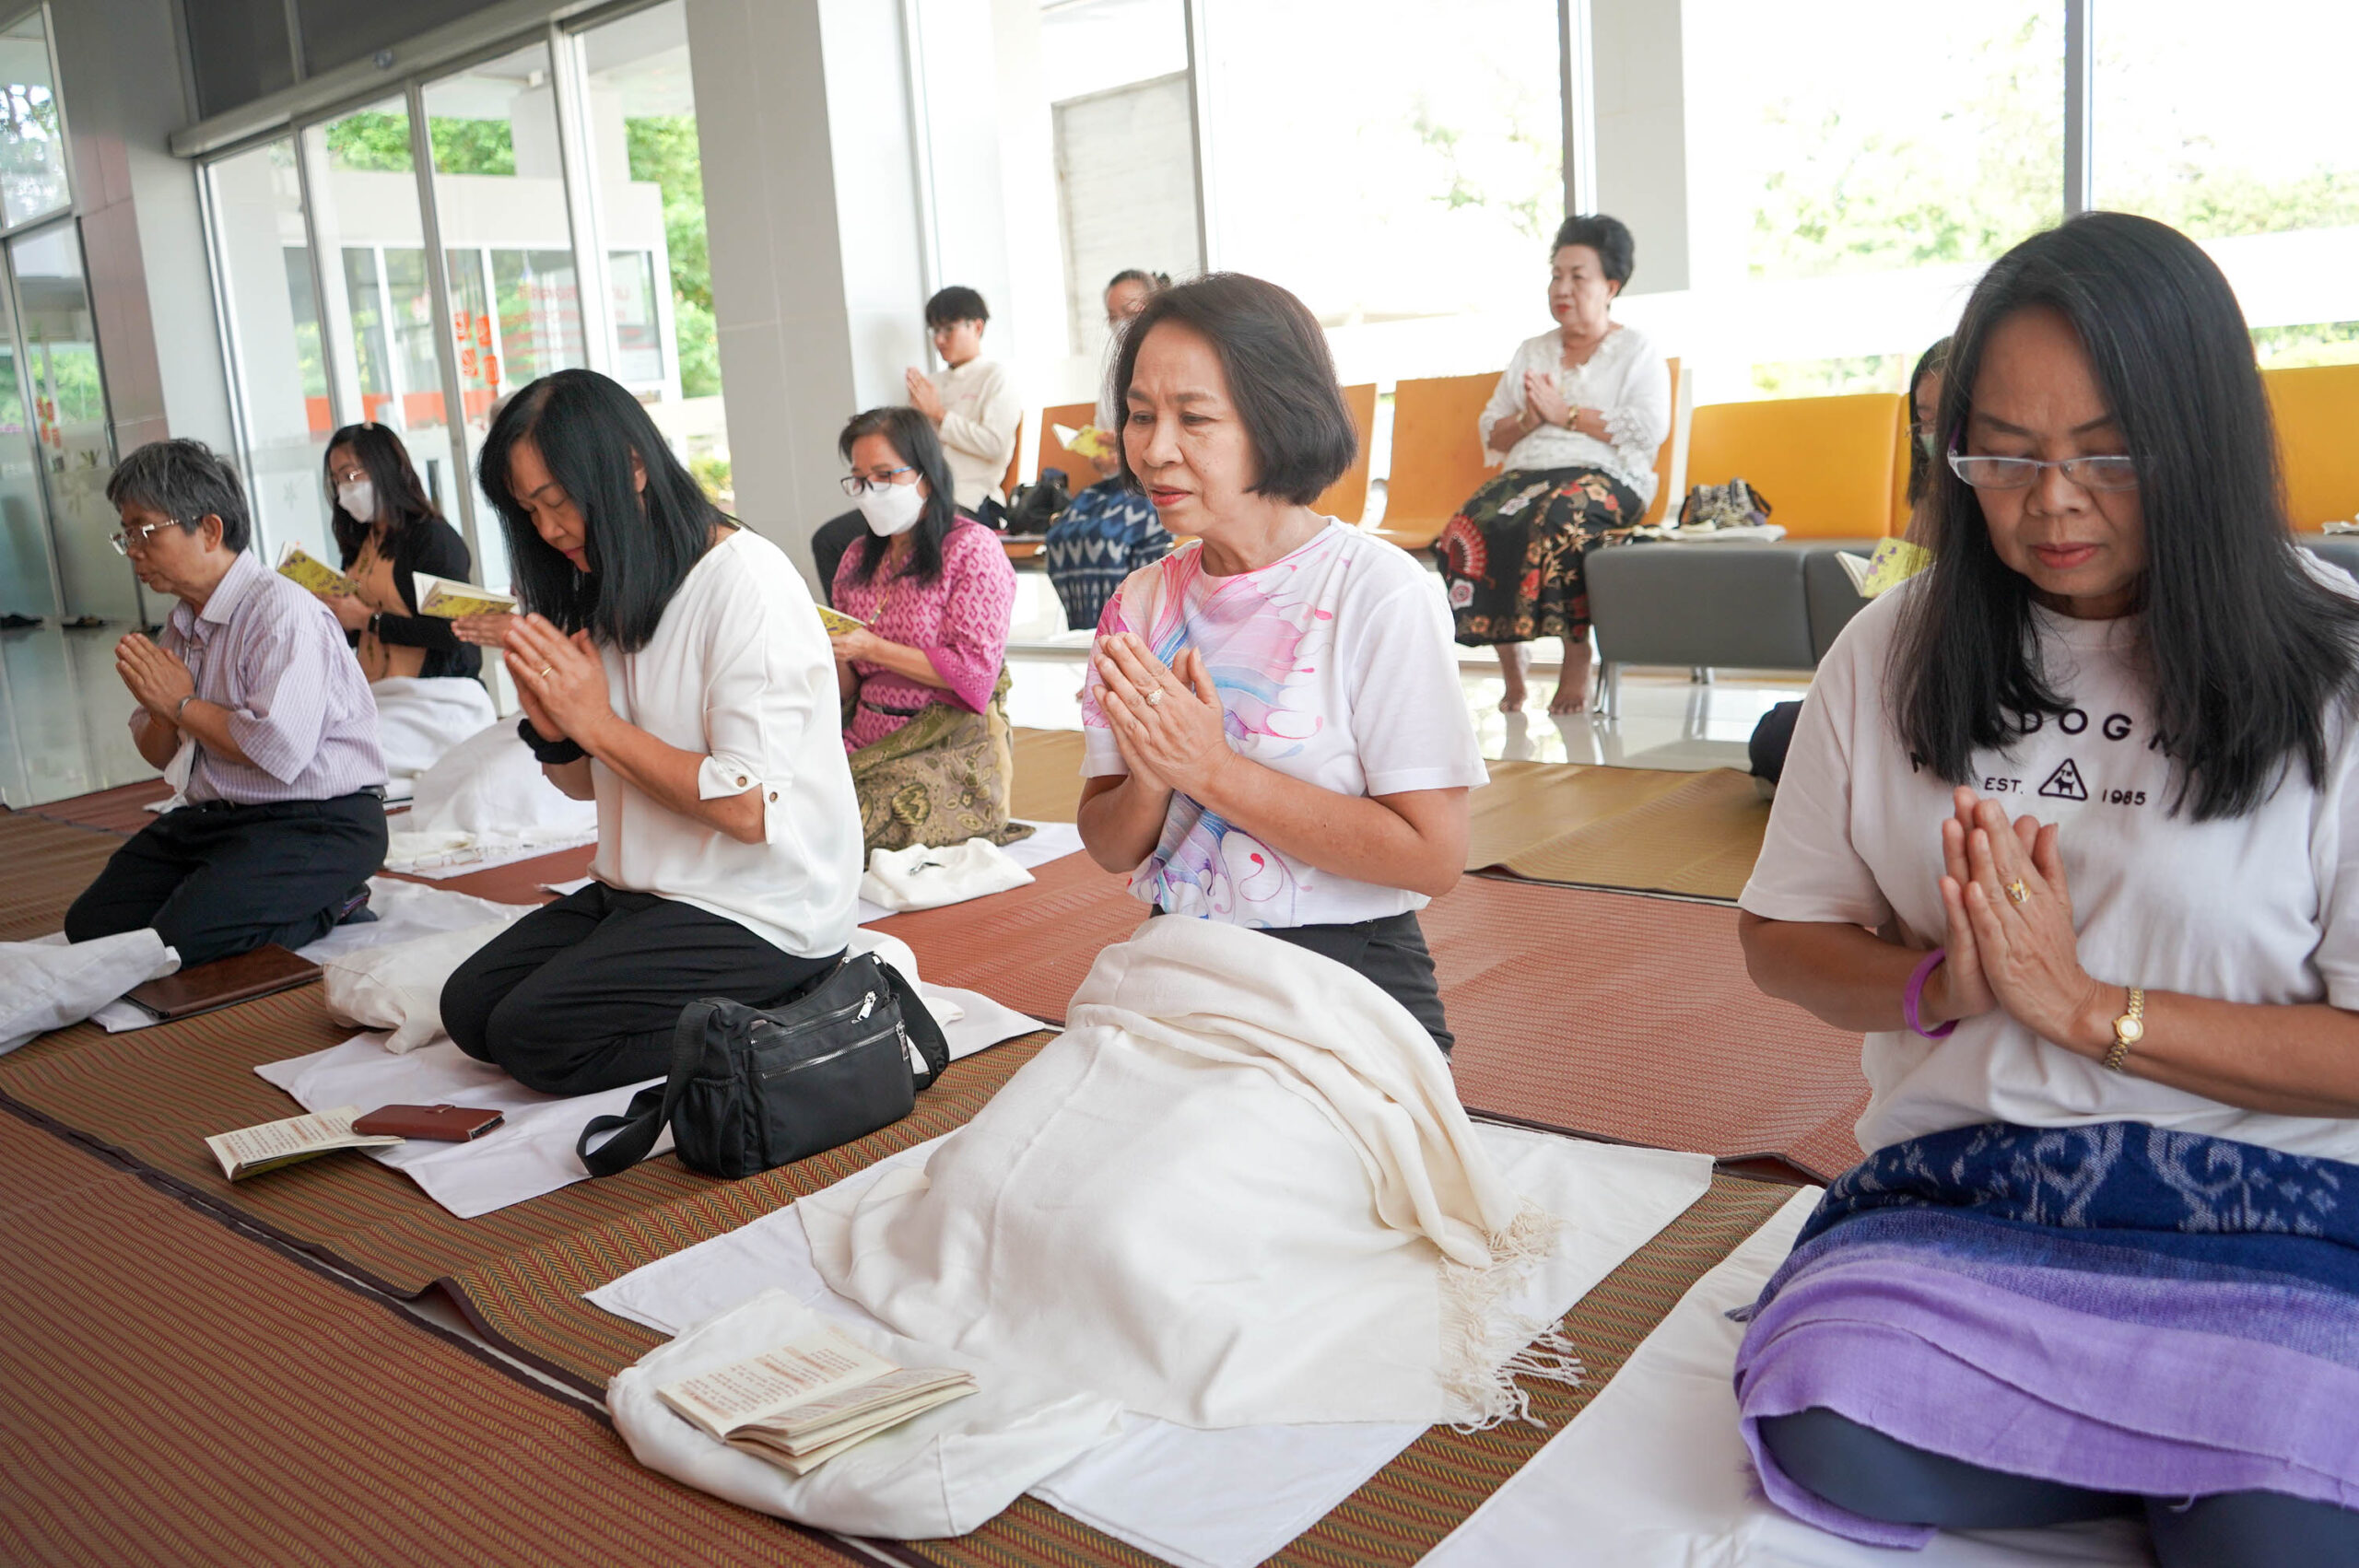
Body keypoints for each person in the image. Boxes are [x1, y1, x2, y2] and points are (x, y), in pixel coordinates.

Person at [1733, 213, 2359, 1562]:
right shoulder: (1889, 651)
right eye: (2005, 455)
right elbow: (1780, 936)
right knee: (1821, 1414)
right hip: (1974, 1185)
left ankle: (2190, 1452)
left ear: (2202, 439)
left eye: (2107, 455)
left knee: (2281, 1539)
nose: (2052, 501)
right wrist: (1939, 984)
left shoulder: (2338, 671)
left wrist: (2085, 1009)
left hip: (2275, 1199)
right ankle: (2183, 1451)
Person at [1077, 273, 1487, 1053]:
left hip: (1344, 977)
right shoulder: (1140, 603)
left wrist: (1211, 770)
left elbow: (1434, 857)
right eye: (1140, 415)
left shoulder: (1378, 592)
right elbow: (1108, 844)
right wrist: (1152, 780)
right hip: (1179, 962)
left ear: (1278, 420)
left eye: (1195, 418)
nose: (1155, 450)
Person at [440, 369, 861, 1096]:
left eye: (558, 501)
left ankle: (797, 1006)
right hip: (648, 891)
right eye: (529, 511)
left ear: (633, 465)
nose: (548, 529)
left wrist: (595, 723)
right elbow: (584, 786)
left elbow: (747, 808)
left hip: (763, 907)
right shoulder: (611, 583)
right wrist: (554, 726)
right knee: (470, 1010)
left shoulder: (746, 583)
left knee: (532, 1037)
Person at [64, 440, 388, 965]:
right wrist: (163, 710)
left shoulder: (281, 611)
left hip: (319, 821)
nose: (134, 551)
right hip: (219, 819)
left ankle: (339, 900)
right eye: (126, 535)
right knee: (91, 927)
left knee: (175, 944)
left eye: (144, 531)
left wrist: (182, 704)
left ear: (210, 530)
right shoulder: (181, 622)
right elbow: (157, 754)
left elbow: (278, 750)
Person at [1437, 214, 1670, 715]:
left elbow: (1649, 428)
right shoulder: (1533, 350)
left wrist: (1566, 414)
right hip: (1528, 475)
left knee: (1559, 519)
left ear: (1610, 286)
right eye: (1556, 275)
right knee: (1471, 525)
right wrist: (1530, 418)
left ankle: (1577, 654)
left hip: (1608, 478)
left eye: (1577, 277)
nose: (1562, 288)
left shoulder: (1637, 350)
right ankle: (1511, 661)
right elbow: (1492, 430)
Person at [828, 405, 1024, 851]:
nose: (870, 492)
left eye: (884, 476)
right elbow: (850, 687)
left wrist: (871, 648)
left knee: (845, 827)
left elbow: (973, 675)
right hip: (863, 736)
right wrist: (830, 651)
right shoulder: (857, 558)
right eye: (859, 479)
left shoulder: (972, 549)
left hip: (947, 747)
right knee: (786, 801)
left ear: (927, 476)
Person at [314, 422, 482, 684]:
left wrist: (370, 620)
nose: (343, 491)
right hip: (376, 689)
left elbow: (453, 630)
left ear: (384, 468)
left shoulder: (432, 538)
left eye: (349, 476)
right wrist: (336, 613)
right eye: (336, 481)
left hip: (433, 693)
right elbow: (358, 632)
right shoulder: (362, 541)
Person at [1043, 417, 1171, 631]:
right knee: (1062, 534)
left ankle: (1117, 624)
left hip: (1145, 483)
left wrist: (1126, 446)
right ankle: (1089, 626)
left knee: (1105, 534)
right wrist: (1103, 451)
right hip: (1115, 485)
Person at [905, 286, 1020, 519]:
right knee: (836, 534)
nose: (939, 339)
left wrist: (939, 415)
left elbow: (995, 445)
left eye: (949, 329)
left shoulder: (996, 377)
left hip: (970, 498)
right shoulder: (929, 383)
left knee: (918, 528)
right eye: (935, 330)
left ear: (977, 327)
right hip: (919, 495)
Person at [1901, 335, 1951, 544]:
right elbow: (1905, 555)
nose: (1935, 434)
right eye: (1925, 420)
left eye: (1946, 420)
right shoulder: (1932, 489)